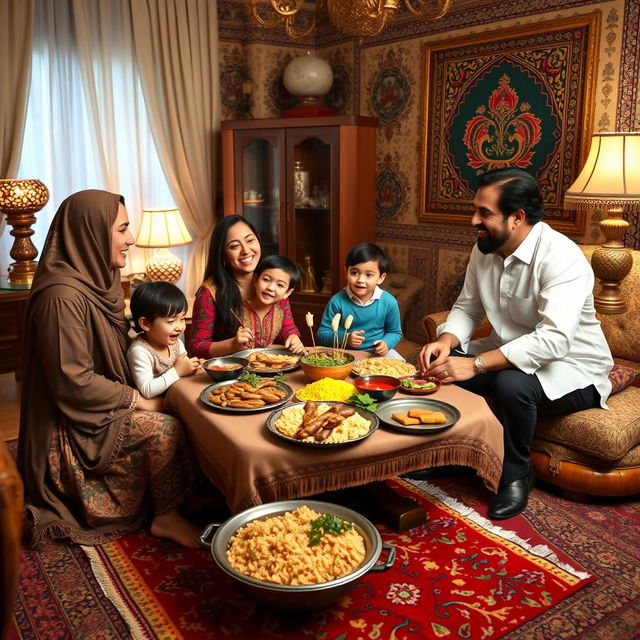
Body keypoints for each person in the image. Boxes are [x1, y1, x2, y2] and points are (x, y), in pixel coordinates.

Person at [418, 168, 613, 519]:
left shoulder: (561, 257)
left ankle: (516, 474)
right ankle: (458, 456)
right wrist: (447, 342)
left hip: (573, 368)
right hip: (507, 350)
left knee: (511, 383)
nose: (474, 220)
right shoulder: (485, 248)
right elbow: (467, 307)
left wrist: (476, 364)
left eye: (485, 213)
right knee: (440, 368)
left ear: (517, 218)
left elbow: (553, 342)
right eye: (475, 209)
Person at [17, 190, 202, 548]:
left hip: (95, 398)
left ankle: (182, 494)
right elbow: (74, 381)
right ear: (90, 232)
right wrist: (137, 399)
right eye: (122, 229)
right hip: (69, 422)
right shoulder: (61, 298)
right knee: (164, 427)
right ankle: (165, 516)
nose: (131, 239)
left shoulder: (99, 280)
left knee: (189, 404)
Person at [190, 215, 263, 358]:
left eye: (250, 240)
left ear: (258, 240)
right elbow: (197, 347)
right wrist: (232, 345)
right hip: (229, 374)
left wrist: (292, 337)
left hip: (272, 369)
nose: (246, 250)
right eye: (234, 246)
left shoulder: (272, 279)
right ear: (222, 254)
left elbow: (287, 327)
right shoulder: (209, 292)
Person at [317, 243, 403, 358]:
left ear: (381, 278)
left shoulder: (389, 302)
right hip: (343, 353)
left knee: (404, 371)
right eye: (354, 273)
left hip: (376, 354)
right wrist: (345, 338)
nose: (360, 280)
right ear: (346, 273)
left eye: (369, 275)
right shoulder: (337, 301)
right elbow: (322, 334)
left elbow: (395, 332)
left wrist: (386, 343)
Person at [127, 281, 202, 399]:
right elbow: (147, 390)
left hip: (179, 394)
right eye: (171, 321)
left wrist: (195, 366)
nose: (180, 327)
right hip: (161, 404)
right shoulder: (140, 351)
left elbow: (185, 365)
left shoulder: (176, 343)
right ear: (146, 324)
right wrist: (177, 371)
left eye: (182, 319)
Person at [241, 255, 304, 353]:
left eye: (280, 285)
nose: (271, 287)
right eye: (266, 279)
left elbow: (288, 328)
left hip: (269, 364)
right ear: (256, 280)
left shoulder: (282, 303)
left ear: (287, 293)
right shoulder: (237, 305)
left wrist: (293, 337)